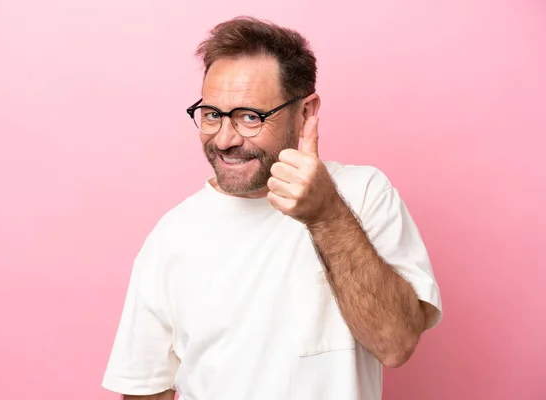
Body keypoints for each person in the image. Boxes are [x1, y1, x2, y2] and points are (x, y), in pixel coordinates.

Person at [101, 16, 442, 400]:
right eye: (212, 114)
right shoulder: (171, 236)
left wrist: (326, 215)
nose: (225, 139)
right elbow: (146, 390)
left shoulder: (363, 193)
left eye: (250, 117)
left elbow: (395, 345)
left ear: (306, 113)